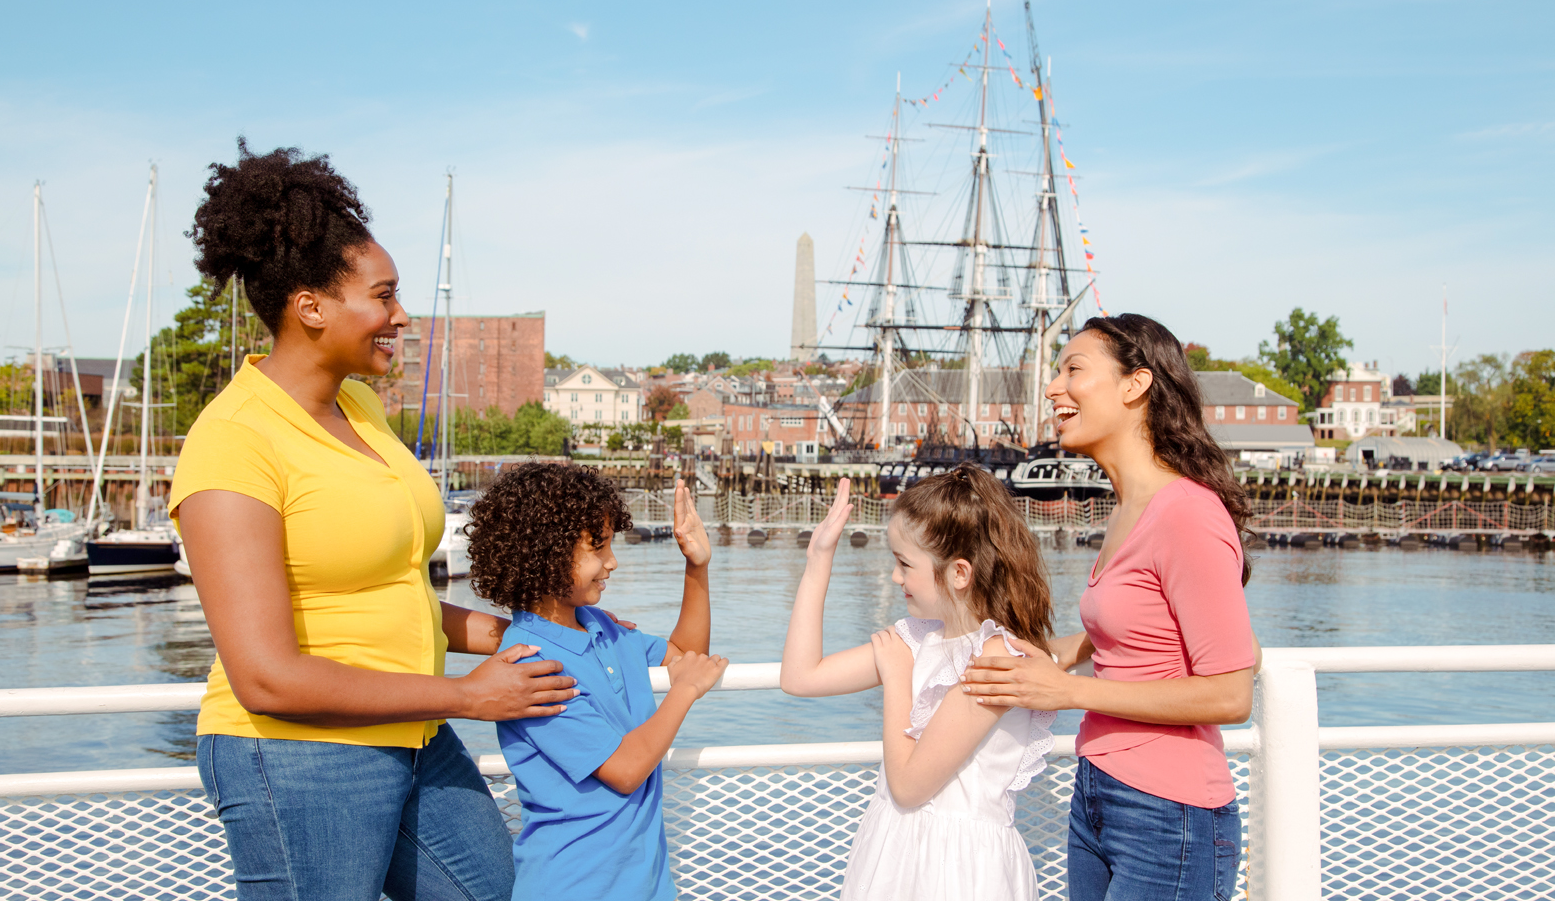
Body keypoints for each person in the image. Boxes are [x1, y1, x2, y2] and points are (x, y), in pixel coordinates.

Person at [172, 141, 579, 901]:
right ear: (312, 307)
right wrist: (468, 696)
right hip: (298, 757)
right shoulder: (234, 441)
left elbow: (387, 588)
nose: (400, 316)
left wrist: (516, 630)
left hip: (414, 733)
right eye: (384, 296)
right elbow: (265, 677)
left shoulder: (359, 406)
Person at [960, 313, 1263, 901]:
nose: (1054, 388)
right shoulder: (1130, 508)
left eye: (1073, 369)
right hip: (1099, 792)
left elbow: (1230, 693)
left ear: (1135, 385)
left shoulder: (1186, 514)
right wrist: (1052, 653)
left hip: (1168, 812)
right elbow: (1142, 628)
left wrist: (1065, 690)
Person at [780, 467, 1058, 901]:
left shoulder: (997, 659)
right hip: (896, 851)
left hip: (960, 870)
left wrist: (895, 680)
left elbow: (909, 786)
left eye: (905, 564)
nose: (895, 577)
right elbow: (800, 677)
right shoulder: (917, 638)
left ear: (958, 573)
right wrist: (819, 558)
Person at [467, 466, 728, 901]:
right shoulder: (528, 663)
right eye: (598, 547)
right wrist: (684, 691)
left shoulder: (601, 627)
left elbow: (684, 656)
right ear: (546, 551)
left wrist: (696, 565)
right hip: (574, 885)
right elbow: (625, 770)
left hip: (645, 883)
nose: (612, 561)